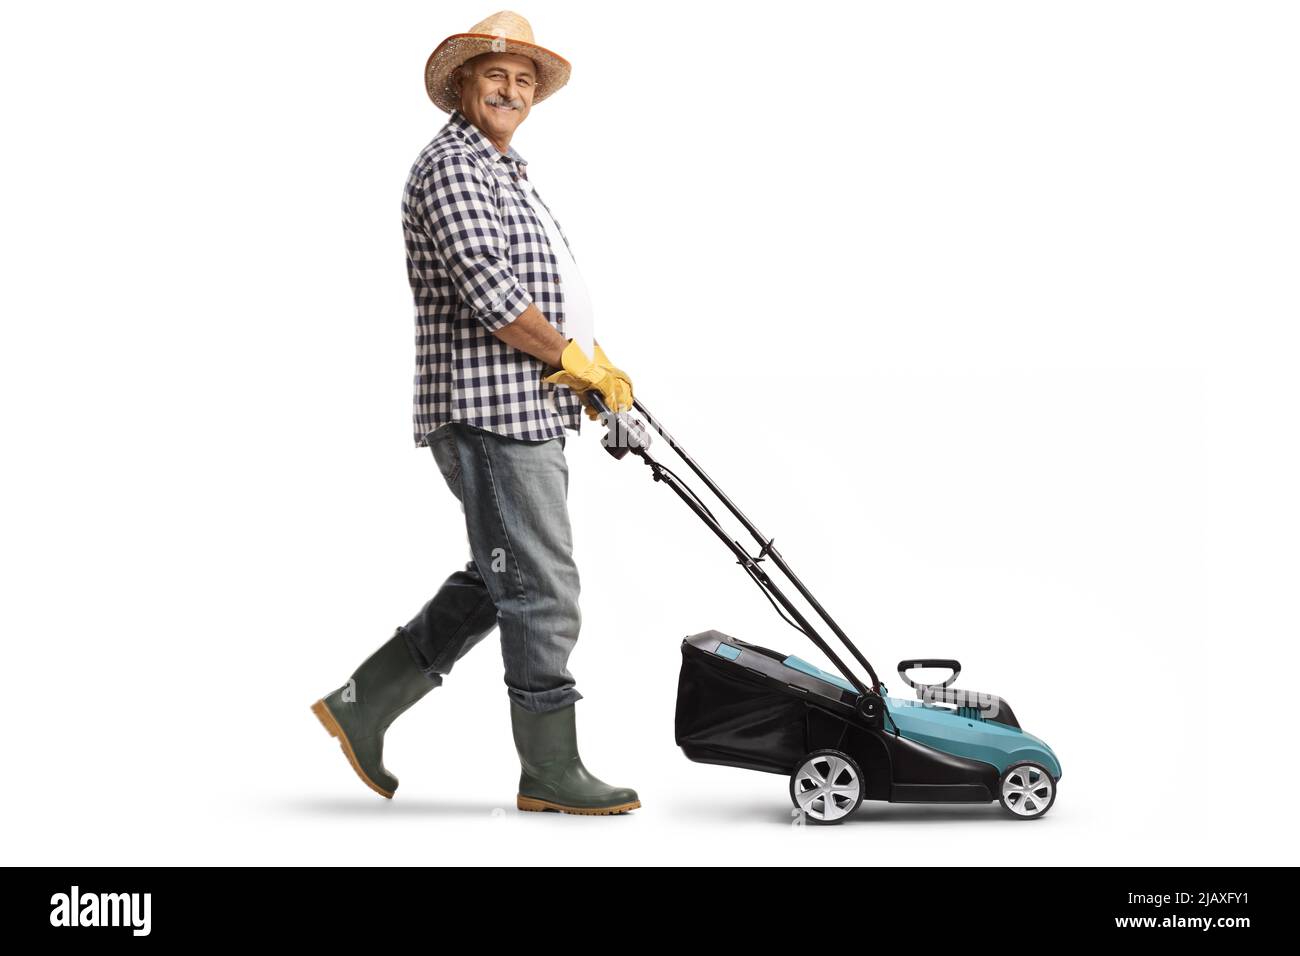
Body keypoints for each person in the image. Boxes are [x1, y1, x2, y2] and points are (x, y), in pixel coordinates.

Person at [311, 10, 640, 816]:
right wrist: (570, 357)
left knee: (509, 575)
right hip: (490, 410)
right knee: (542, 586)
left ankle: (364, 702)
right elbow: (494, 295)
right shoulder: (454, 167)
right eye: (496, 74)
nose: (511, 89)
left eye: (525, 80)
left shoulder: (504, 169)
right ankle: (549, 770)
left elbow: (545, 288)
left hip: (529, 406)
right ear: (461, 83)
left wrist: (592, 365)